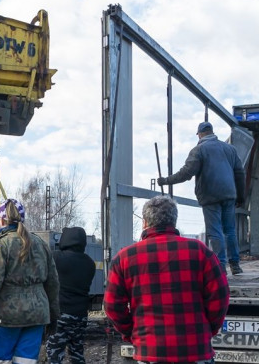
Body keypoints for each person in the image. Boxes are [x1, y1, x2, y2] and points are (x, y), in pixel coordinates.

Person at [104, 195, 228, 364]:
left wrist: (132, 333)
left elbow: (112, 305)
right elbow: (220, 297)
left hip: (150, 351)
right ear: (174, 222)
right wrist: (207, 330)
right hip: (196, 350)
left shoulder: (124, 258)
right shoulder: (200, 251)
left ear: (144, 223)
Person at [0, 198, 60, 364]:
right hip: (36, 316)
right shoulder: (40, 243)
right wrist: (54, 315)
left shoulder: (2, 245)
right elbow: (53, 283)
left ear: (2, 219)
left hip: (3, 317)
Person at [157, 120, 245, 274]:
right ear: (212, 132)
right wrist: (241, 196)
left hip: (210, 195)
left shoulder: (199, 150)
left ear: (200, 134)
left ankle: (220, 267)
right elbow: (240, 173)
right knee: (230, 230)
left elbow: (186, 173)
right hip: (229, 194)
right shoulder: (230, 149)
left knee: (215, 231)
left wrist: (166, 181)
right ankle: (235, 265)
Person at [45, 227, 96, 364]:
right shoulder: (90, 263)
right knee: (77, 353)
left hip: (60, 315)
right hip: (80, 316)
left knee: (54, 355)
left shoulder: (56, 257)